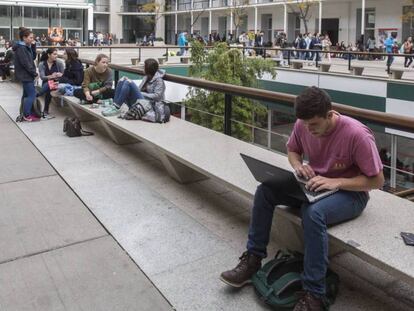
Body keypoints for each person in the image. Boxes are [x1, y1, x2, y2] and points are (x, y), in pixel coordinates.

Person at [220, 86, 384, 311]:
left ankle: (314, 293)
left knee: (313, 212)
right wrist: (298, 166)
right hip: (314, 185)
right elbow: (293, 151)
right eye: (305, 124)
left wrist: (336, 182)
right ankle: (253, 260)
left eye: (314, 124)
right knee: (265, 190)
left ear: (330, 114)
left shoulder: (356, 134)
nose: (308, 129)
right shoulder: (303, 124)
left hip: (351, 194)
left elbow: (377, 181)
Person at [101, 58, 165, 120]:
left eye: (144, 66)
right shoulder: (146, 77)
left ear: (148, 68)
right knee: (123, 80)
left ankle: (117, 107)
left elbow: (157, 96)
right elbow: (138, 90)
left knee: (128, 82)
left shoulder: (159, 80)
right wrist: (134, 88)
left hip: (149, 105)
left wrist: (140, 93)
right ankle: (114, 106)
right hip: (141, 102)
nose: (143, 67)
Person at [13, 27, 39, 122]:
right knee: (32, 95)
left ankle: (23, 113)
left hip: (26, 75)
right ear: (24, 38)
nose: (33, 39)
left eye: (33, 38)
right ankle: (27, 115)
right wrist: (35, 73)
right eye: (31, 38)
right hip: (26, 75)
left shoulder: (25, 47)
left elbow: (32, 57)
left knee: (26, 95)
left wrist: (33, 46)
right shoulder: (21, 48)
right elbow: (26, 64)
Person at [37, 48, 65, 118]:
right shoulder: (42, 64)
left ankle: (37, 95)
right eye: (54, 54)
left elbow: (64, 75)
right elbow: (42, 77)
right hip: (46, 84)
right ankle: (45, 110)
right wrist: (52, 76)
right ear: (49, 55)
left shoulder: (59, 63)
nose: (56, 56)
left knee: (49, 85)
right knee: (49, 86)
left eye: (57, 54)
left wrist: (59, 75)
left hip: (57, 83)